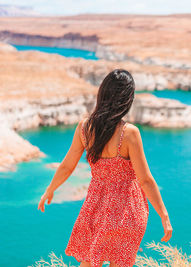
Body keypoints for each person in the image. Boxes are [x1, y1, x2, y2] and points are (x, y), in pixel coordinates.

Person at [37, 69, 172, 267]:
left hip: (95, 207)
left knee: (90, 261)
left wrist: (50, 189)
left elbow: (67, 166)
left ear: (102, 94)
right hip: (127, 210)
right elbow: (145, 180)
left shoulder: (85, 128)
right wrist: (164, 215)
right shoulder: (129, 133)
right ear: (127, 99)